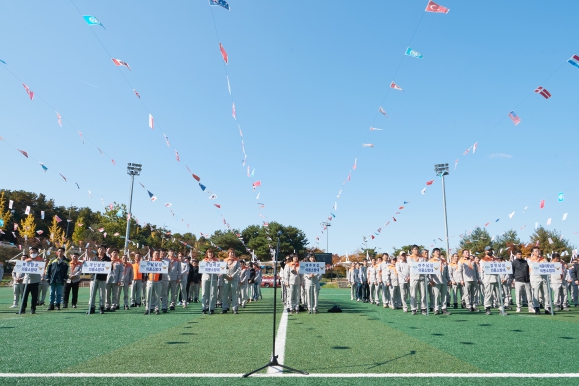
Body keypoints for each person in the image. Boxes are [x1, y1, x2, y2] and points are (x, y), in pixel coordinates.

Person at [480, 247, 504, 315]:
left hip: (496, 279)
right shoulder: (483, 260)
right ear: (485, 251)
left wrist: (501, 277)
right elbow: (483, 270)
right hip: (488, 279)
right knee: (488, 294)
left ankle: (501, 308)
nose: (490, 251)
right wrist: (483, 280)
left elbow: (500, 268)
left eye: (491, 250)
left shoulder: (495, 259)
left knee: (499, 295)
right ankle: (487, 308)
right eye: (488, 250)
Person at [529, 247, 554, 315]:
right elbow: (533, 267)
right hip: (535, 278)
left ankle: (547, 307)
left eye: (538, 251)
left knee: (546, 293)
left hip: (544, 277)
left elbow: (547, 267)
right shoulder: (530, 260)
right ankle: (537, 307)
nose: (538, 252)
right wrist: (537, 260)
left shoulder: (543, 259)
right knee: (536, 293)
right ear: (533, 252)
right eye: (536, 251)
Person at [87, 245, 111, 314]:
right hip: (93, 279)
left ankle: (101, 307)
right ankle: (91, 307)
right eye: (100, 249)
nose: (101, 250)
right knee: (92, 294)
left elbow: (109, 269)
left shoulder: (107, 259)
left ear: (105, 250)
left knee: (102, 294)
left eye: (102, 249)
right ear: (98, 250)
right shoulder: (94, 258)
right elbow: (90, 268)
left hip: (102, 279)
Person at [429, 248, 451, 315]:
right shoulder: (431, 261)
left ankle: (444, 308)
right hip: (435, 280)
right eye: (436, 252)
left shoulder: (443, 261)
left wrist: (449, 279)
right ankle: (436, 309)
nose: (438, 253)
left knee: (444, 295)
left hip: (444, 280)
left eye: (439, 251)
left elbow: (447, 272)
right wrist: (430, 280)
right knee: (436, 295)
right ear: (433, 253)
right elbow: (429, 272)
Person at [408, 245, 427, 315]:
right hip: (414, 278)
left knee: (423, 294)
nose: (416, 250)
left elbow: (424, 265)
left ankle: (423, 308)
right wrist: (419, 264)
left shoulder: (422, 257)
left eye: (417, 249)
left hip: (422, 277)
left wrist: (419, 264)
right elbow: (412, 265)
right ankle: (413, 308)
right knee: (413, 294)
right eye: (415, 249)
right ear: (412, 250)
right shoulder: (409, 258)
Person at [201, 249, 219, 314]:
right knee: (204, 293)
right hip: (205, 278)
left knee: (213, 294)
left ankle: (211, 308)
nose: (210, 254)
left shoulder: (217, 260)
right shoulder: (204, 260)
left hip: (213, 278)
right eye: (209, 253)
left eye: (211, 253)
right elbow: (202, 269)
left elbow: (219, 270)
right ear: (207, 254)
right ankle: (204, 308)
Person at [145, 251, 163, 315]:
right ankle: (147, 308)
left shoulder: (161, 262)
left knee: (157, 296)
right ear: (152, 254)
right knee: (148, 296)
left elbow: (167, 269)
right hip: (150, 280)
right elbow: (144, 269)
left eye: (158, 254)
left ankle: (157, 309)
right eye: (155, 253)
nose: (157, 255)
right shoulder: (149, 261)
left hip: (158, 281)